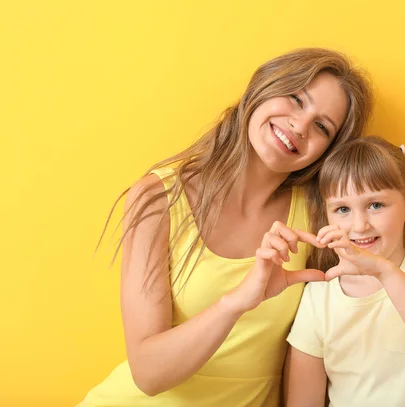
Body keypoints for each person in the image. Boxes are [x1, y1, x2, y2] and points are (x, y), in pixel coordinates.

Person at [79, 48, 373, 407]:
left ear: (327, 150)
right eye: (296, 99)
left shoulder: (319, 215)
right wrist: (237, 302)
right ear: (263, 88)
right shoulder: (158, 198)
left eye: (322, 127)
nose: (299, 125)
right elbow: (148, 374)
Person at [285, 136, 405, 407]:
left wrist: (383, 271)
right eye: (342, 209)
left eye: (376, 205)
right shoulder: (318, 298)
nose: (360, 225)